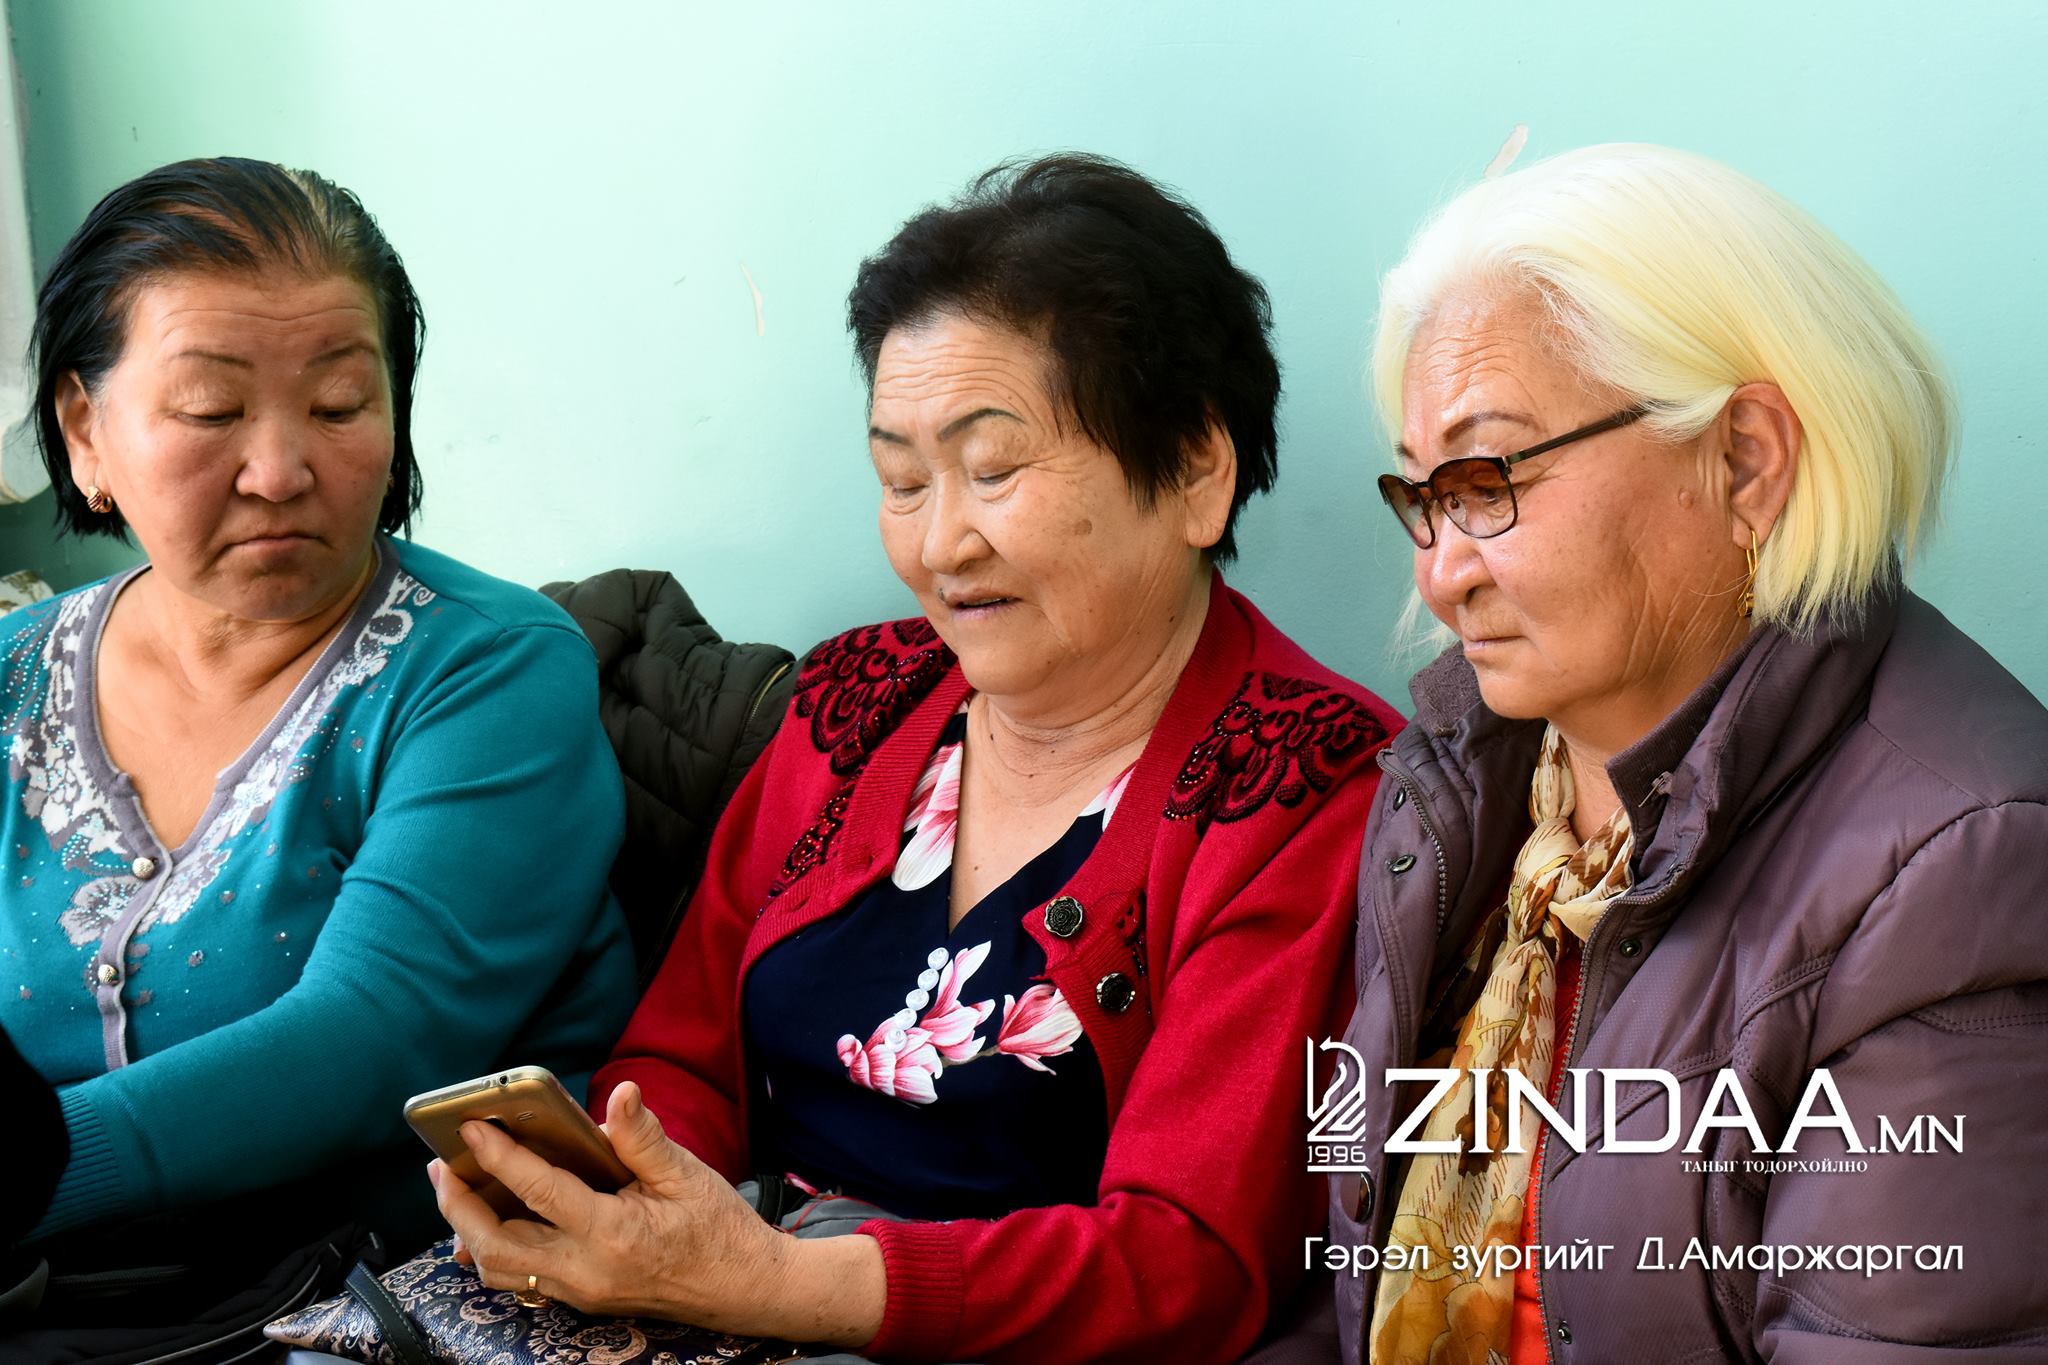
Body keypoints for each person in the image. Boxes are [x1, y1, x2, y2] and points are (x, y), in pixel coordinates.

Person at [431, 154, 1406, 1363]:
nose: (940, 544)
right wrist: (619, 1197)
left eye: (992, 471)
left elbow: (1183, 1264)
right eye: (901, 480)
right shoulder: (856, 699)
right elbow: (679, 1059)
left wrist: (779, 1285)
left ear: (1196, 471)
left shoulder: (1303, 784)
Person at [1326, 143, 2048, 1363]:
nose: (1440, 576)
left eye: (1488, 478)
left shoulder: (1956, 870)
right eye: (1422, 498)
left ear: (1742, 460)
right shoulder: (1454, 787)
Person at [0, 158, 636, 1266]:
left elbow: (374, 1035)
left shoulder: (488, 670)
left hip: (366, 1290)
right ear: (85, 430)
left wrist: (30, 1180)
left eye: (340, 405)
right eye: (211, 409)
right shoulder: (12, 676)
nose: (280, 471)